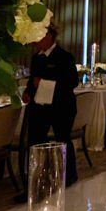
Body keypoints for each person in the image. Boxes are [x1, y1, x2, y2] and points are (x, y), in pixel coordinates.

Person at [21, 21, 78, 193]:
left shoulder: (64, 57)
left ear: (50, 36)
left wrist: (44, 83)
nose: (36, 41)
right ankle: (37, 177)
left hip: (61, 106)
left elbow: (71, 82)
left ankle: (69, 176)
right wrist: (28, 91)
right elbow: (33, 81)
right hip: (40, 107)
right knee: (35, 141)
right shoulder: (37, 58)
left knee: (63, 138)